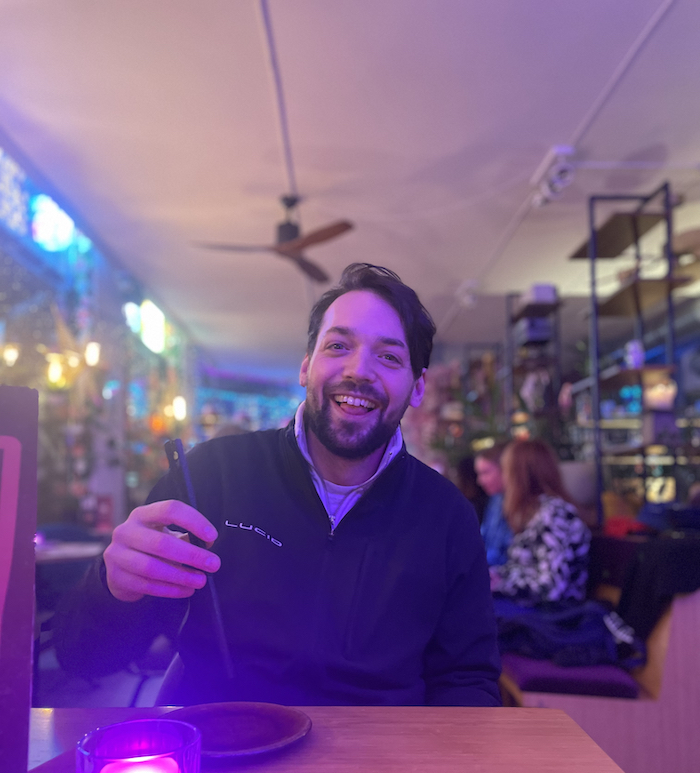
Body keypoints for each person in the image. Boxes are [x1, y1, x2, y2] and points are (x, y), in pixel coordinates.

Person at [54, 263, 501, 707]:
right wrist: (113, 587)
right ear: (306, 367)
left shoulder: (446, 516)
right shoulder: (212, 476)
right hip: (223, 756)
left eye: (388, 357)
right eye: (338, 345)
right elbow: (84, 658)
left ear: (417, 387)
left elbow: (466, 680)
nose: (359, 370)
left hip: (383, 764)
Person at [490, 438, 590, 603]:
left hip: (554, 618)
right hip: (531, 610)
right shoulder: (536, 512)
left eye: (506, 470)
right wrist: (496, 576)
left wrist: (501, 584)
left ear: (519, 476)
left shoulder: (555, 514)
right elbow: (526, 569)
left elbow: (551, 588)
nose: (504, 478)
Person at [474, 442, 511, 567]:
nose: (480, 481)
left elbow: (506, 554)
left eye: (485, 473)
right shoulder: (496, 499)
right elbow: (482, 539)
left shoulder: (519, 503)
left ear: (505, 470)